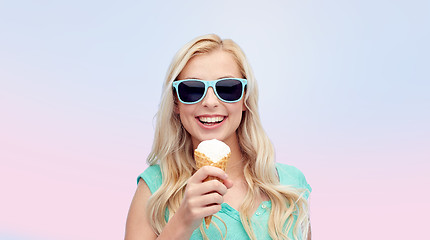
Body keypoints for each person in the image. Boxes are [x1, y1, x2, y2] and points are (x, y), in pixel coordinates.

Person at [125, 34, 312, 240]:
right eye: (192, 90)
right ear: (176, 103)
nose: (210, 102)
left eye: (228, 88)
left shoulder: (290, 185)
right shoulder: (155, 189)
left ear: (244, 99)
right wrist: (182, 222)